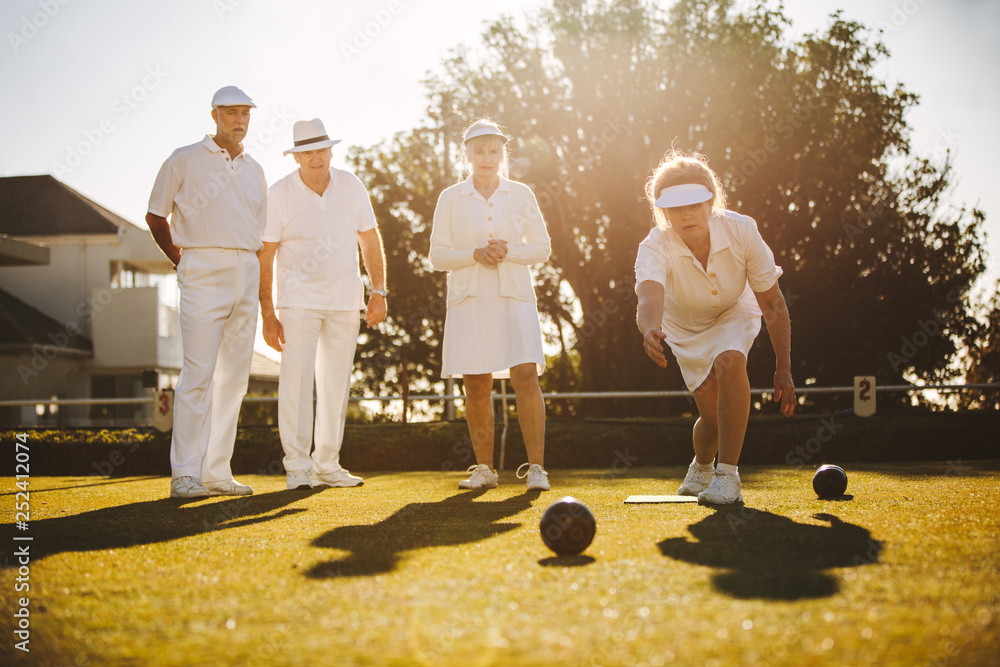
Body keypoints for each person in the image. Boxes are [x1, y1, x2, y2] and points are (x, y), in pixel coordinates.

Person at [634, 149, 795, 505]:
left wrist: (783, 368)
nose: (687, 214)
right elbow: (649, 296)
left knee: (731, 359)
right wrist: (649, 329)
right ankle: (702, 466)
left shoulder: (742, 230)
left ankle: (728, 477)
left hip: (735, 309)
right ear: (663, 212)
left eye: (695, 203)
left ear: (711, 201)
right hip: (683, 327)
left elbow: (773, 303)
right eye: (675, 207)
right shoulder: (654, 246)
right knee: (713, 419)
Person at [146, 86, 268, 499]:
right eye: (231, 112)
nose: (240, 120)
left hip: (246, 269)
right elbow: (155, 214)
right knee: (198, 374)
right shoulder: (183, 158)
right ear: (214, 115)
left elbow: (260, 232)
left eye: (245, 113)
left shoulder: (255, 169)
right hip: (200, 267)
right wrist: (180, 259)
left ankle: (216, 471)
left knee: (234, 378)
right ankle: (185, 473)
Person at [259, 118, 387, 490]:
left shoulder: (350, 185)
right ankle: (297, 467)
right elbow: (265, 255)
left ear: (331, 151)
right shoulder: (279, 193)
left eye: (321, 150)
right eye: (307, 152)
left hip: (346, 300)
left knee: (336, 384)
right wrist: (268, 313)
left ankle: (327, 464)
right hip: (297, 302)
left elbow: (369, 237)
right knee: (296, 383)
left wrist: (377, 291)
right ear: (296, 157)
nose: (316, 158)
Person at [429, 119, 552, 492]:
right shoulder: (450, 198)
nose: (487, 157)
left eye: (494, 150)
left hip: (513, 297)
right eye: (479, 150)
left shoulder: (521, 194)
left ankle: (536, 469)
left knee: (526, 377)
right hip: (470, 300)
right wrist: (475, 254)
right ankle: (484, 469)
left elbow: (542, 247)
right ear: (466, 153)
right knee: (476, 384)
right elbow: (437, 256)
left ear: (503, 153)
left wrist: (507, 251)